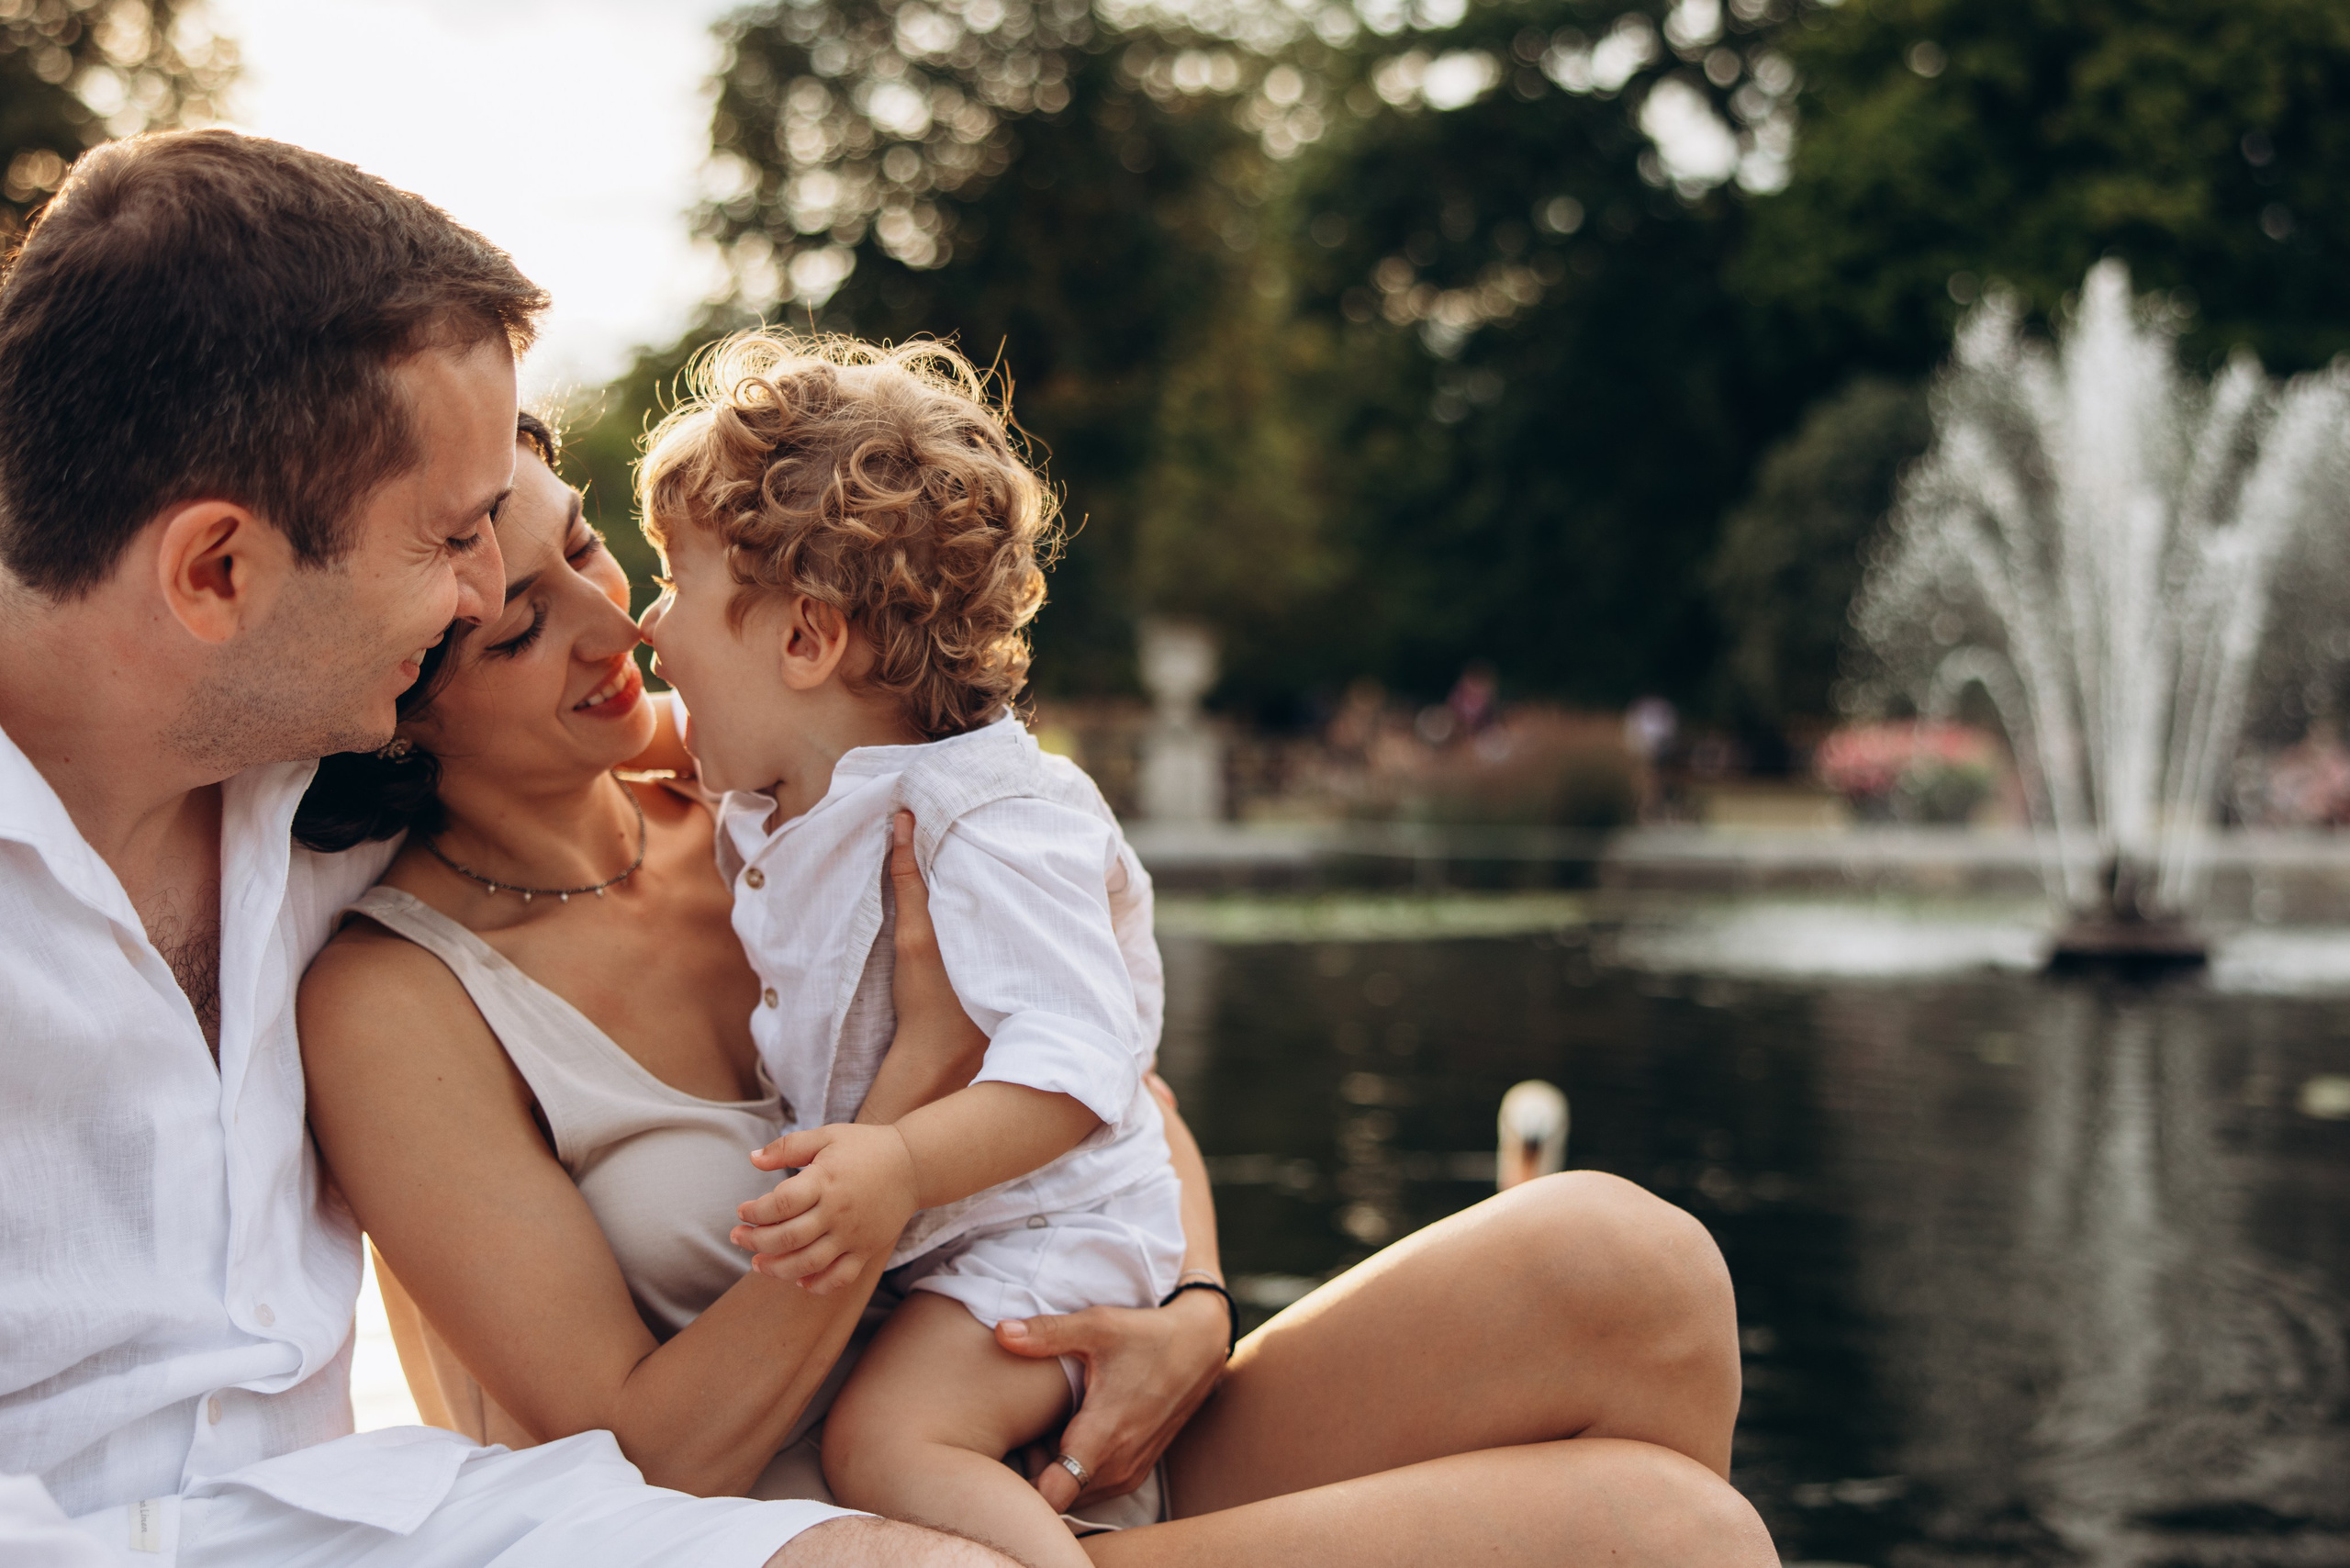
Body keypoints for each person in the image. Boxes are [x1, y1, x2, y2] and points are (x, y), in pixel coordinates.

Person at [296, 399, 1782, 1563]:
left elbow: (1110, 1075)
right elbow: (644, 1458)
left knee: (1632, 1263)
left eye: (591, 547)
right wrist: (906, 1095)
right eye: (515, 625)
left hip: (1073, 1423)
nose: (616, 622)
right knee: (1671, 1539)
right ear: (390, 711)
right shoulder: (398, 1000)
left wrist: (1192, 1308)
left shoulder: (786, 776)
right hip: (860, 1533)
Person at [0, 129, 1005, 1568]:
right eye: (456, 543)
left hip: (363, 1524)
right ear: (218, 571)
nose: (481, 593)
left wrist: (1187, 1298)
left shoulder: (333, 795)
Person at [630, 331, 1185, 1565]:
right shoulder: (786, 764)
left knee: (884, 1443)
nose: (647, 628)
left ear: (807, 641)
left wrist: (898, 1164)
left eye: (670, 585)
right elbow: (636, 733)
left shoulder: (990, 821)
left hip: (1047, 1231)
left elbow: (1080, 1064)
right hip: (956, 1241)